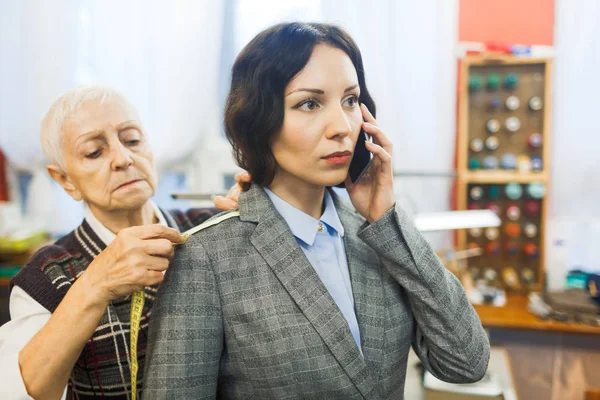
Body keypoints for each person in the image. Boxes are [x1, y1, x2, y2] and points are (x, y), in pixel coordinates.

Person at [144, 22, 490, 399]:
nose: (342, 127)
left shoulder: (376, 235)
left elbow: (466, 363)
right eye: (309, 103)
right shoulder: (205, 258)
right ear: (260, 121)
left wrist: (387, 220)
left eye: (351, 100)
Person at [0, 85, 245, 399]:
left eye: (132, 140)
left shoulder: (211, 227)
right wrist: (96, 285)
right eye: (94, 152)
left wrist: (262, 212)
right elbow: (21, 392)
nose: (123, 158)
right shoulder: (46, 276)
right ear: (65, 180)